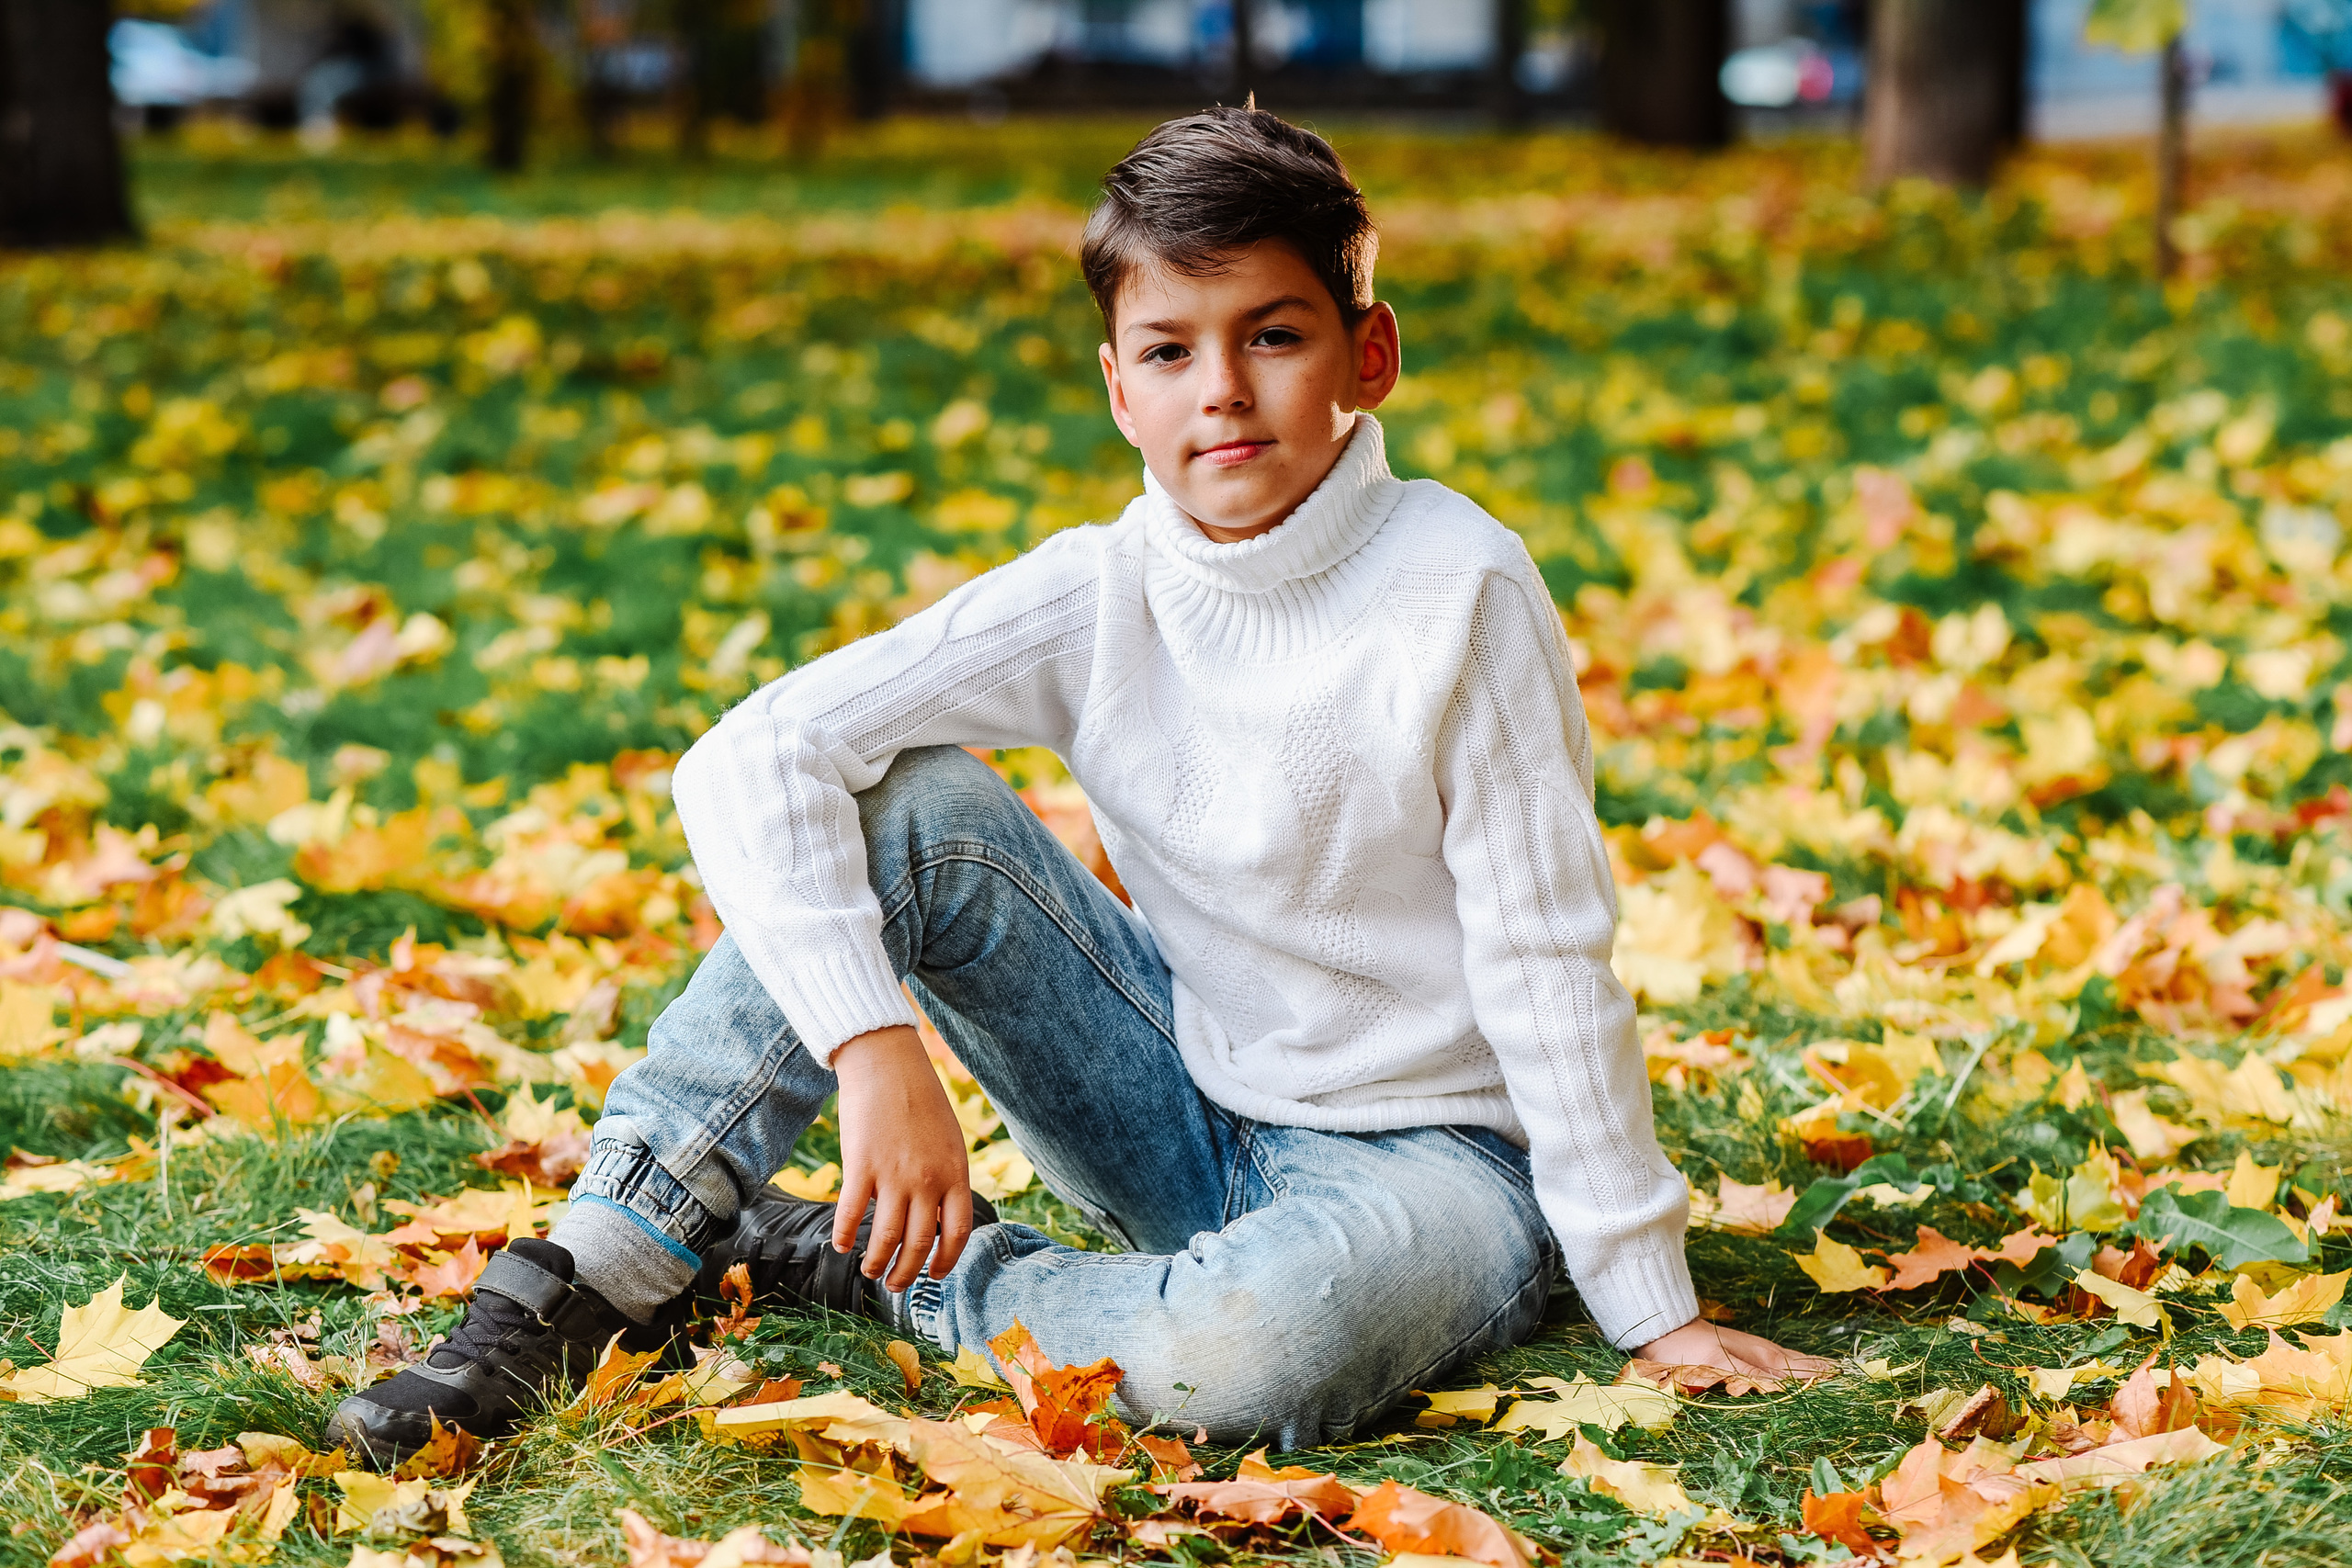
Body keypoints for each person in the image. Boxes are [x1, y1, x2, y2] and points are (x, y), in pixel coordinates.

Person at [329, 104, 1832, 1468]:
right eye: (1171, 352)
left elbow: (1547, 957)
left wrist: (1651, 1305)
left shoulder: (1462, 591)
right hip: (1182, 1098)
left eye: (1274, 336)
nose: (1222, 392)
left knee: (1253, 1349)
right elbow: (749, 754)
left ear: (1368, 356)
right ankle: (600, 1270)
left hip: (1442, 1164)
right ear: (1120, 390)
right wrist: (873, 1045)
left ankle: (886, 1270)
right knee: (901, 807)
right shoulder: (1097, 592)